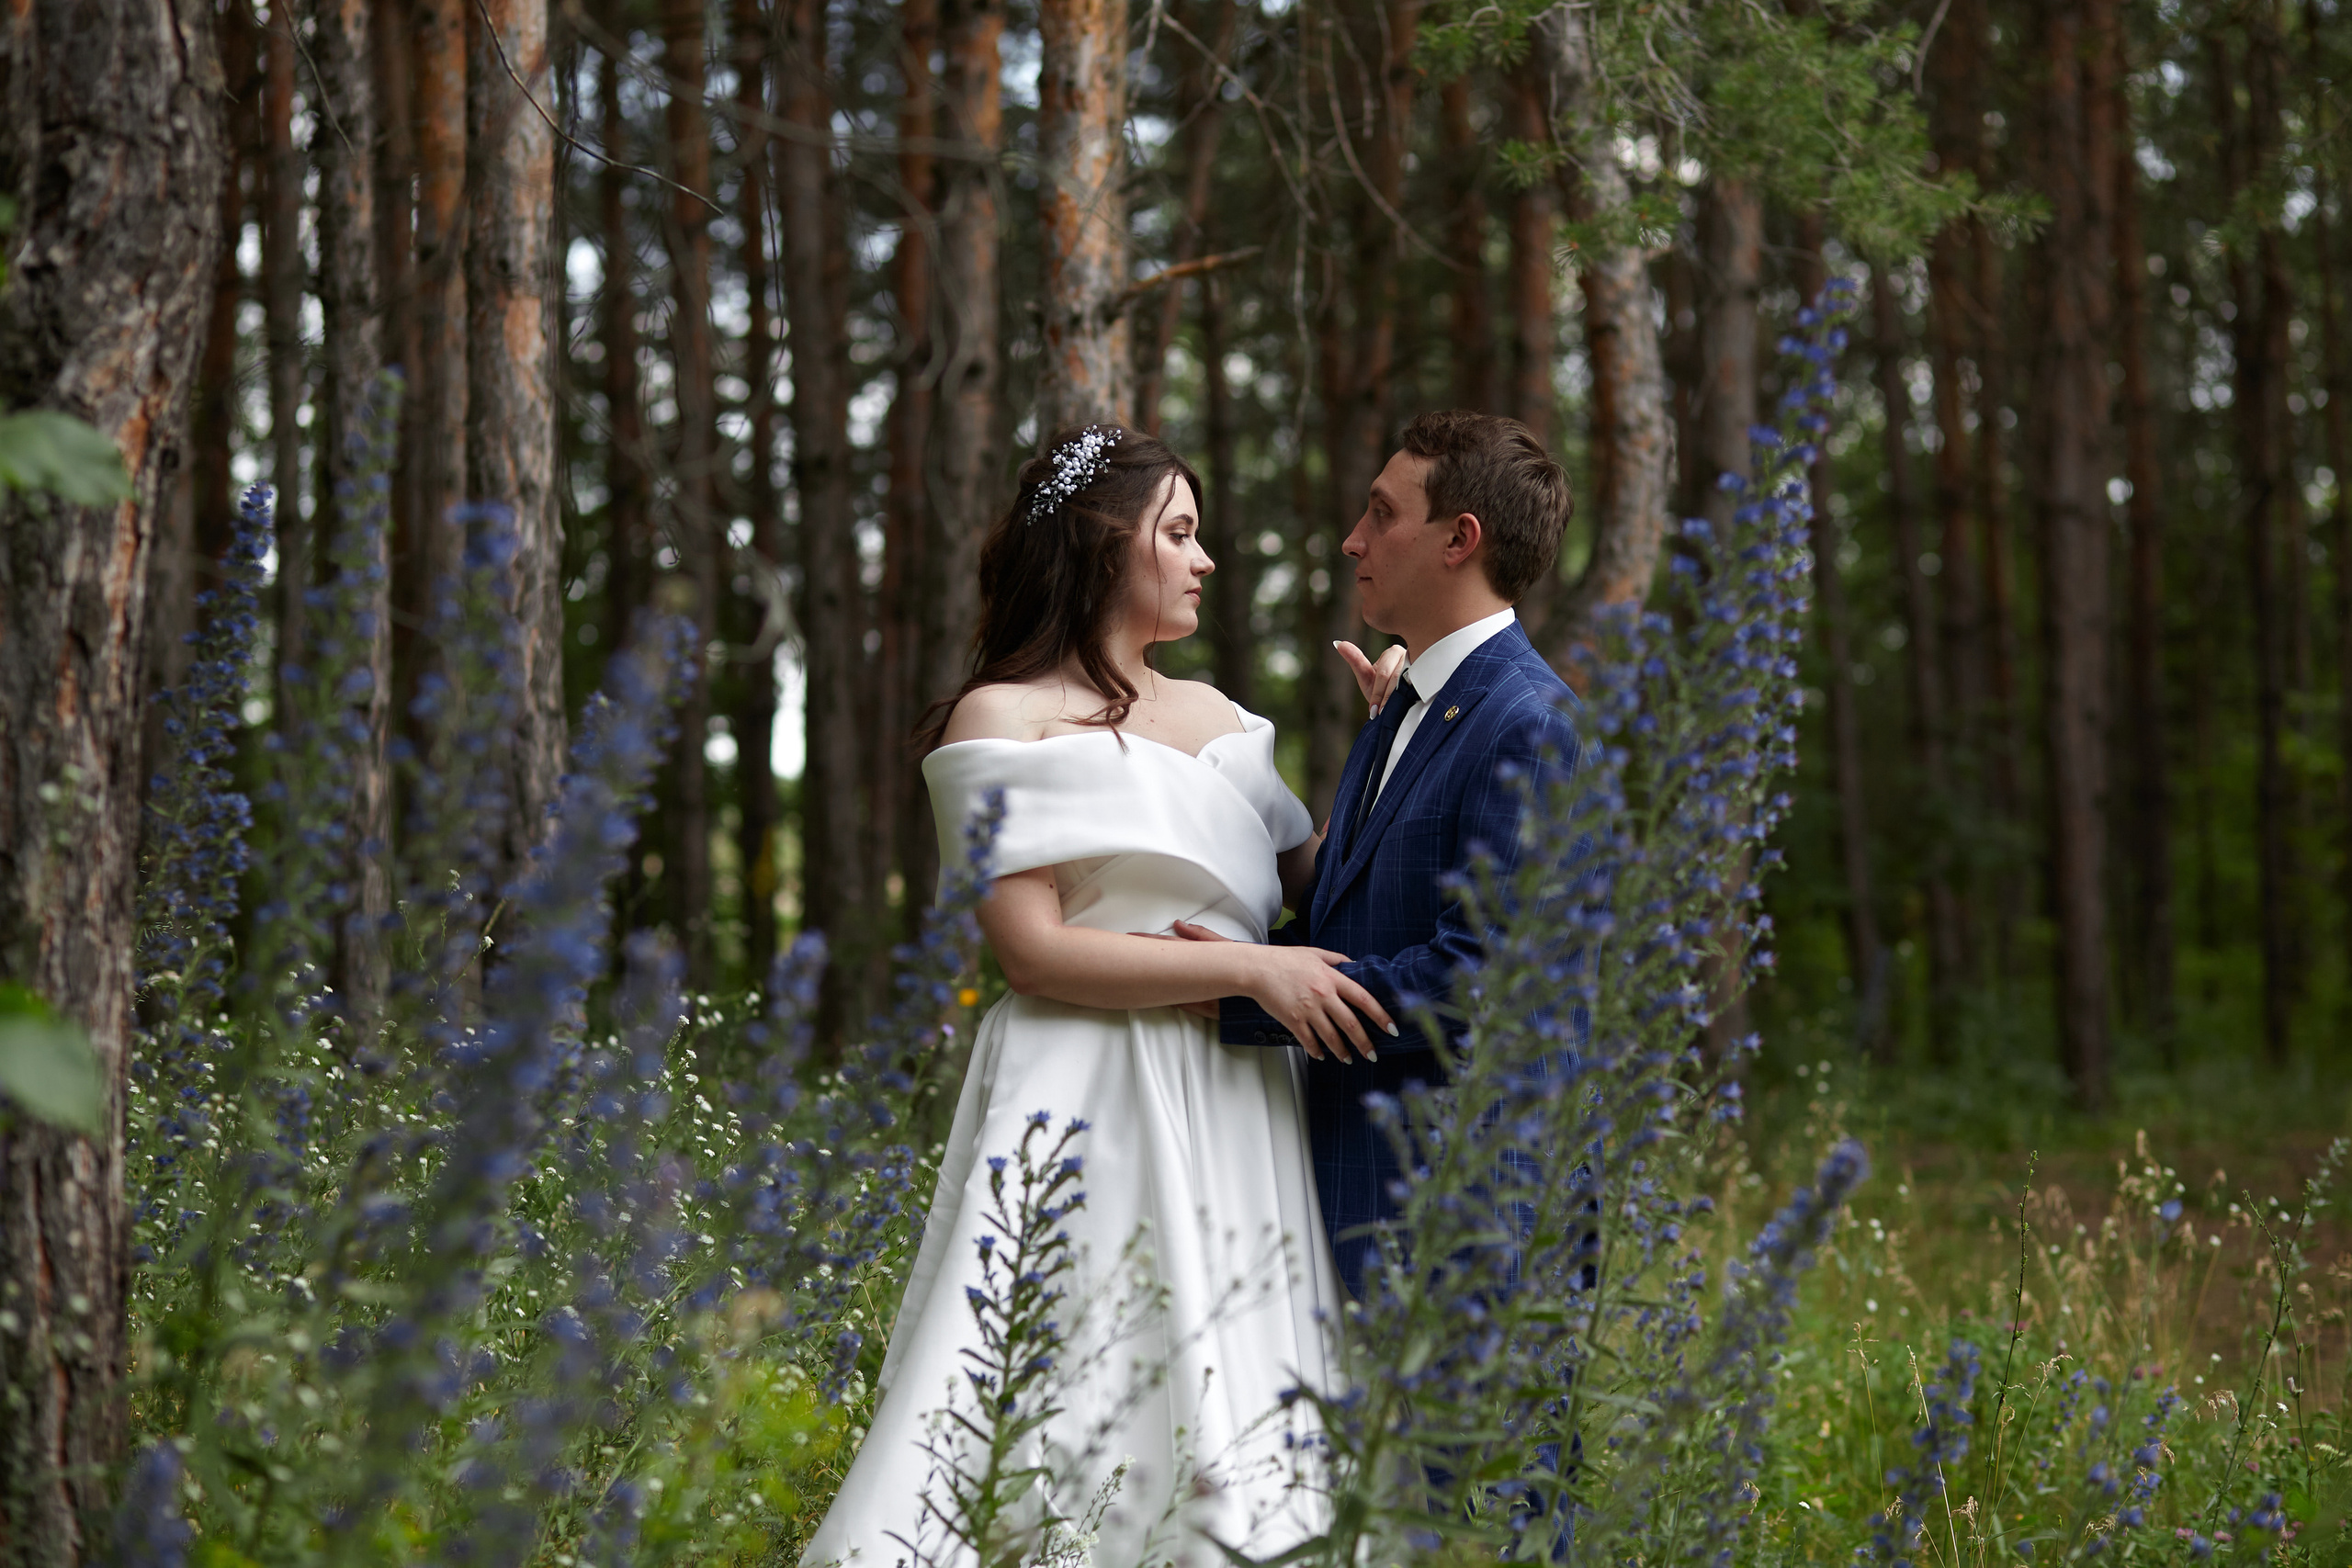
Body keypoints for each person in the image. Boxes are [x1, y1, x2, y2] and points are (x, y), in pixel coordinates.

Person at [802, 426, 1396, 1568]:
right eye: (1177, 533)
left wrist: (1386, 756)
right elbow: (1030, 952)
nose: (1204, 559)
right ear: (1096, 543)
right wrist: (1245, 967)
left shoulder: (1222, 718)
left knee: (1232, 1355)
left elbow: (1305, 885)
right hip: (1082, 1077)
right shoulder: (1002, 718)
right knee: (1080, 1349)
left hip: (1234, 1087)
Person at [1185, 411, 1582, 1299]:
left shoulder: (1529, 723)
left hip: (1469, 1214)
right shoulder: (1404, 707)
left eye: (1382, 513)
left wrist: (1247, 990)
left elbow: (1482, 973)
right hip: (1361, 1194)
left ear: (1459, 539)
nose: (1352, 538)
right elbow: (1350, 916)